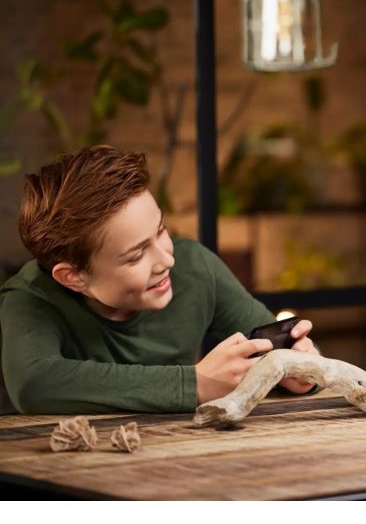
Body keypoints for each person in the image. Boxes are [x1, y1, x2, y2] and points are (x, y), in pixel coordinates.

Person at [0, 145, 319, 415]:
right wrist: (195, 385)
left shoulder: (195, 267)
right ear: (73, 277)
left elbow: (275, 348)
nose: (167, 260)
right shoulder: (30, 298)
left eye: (161, 230)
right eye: (136, 255)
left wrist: (298, 371)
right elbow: (33, 384)